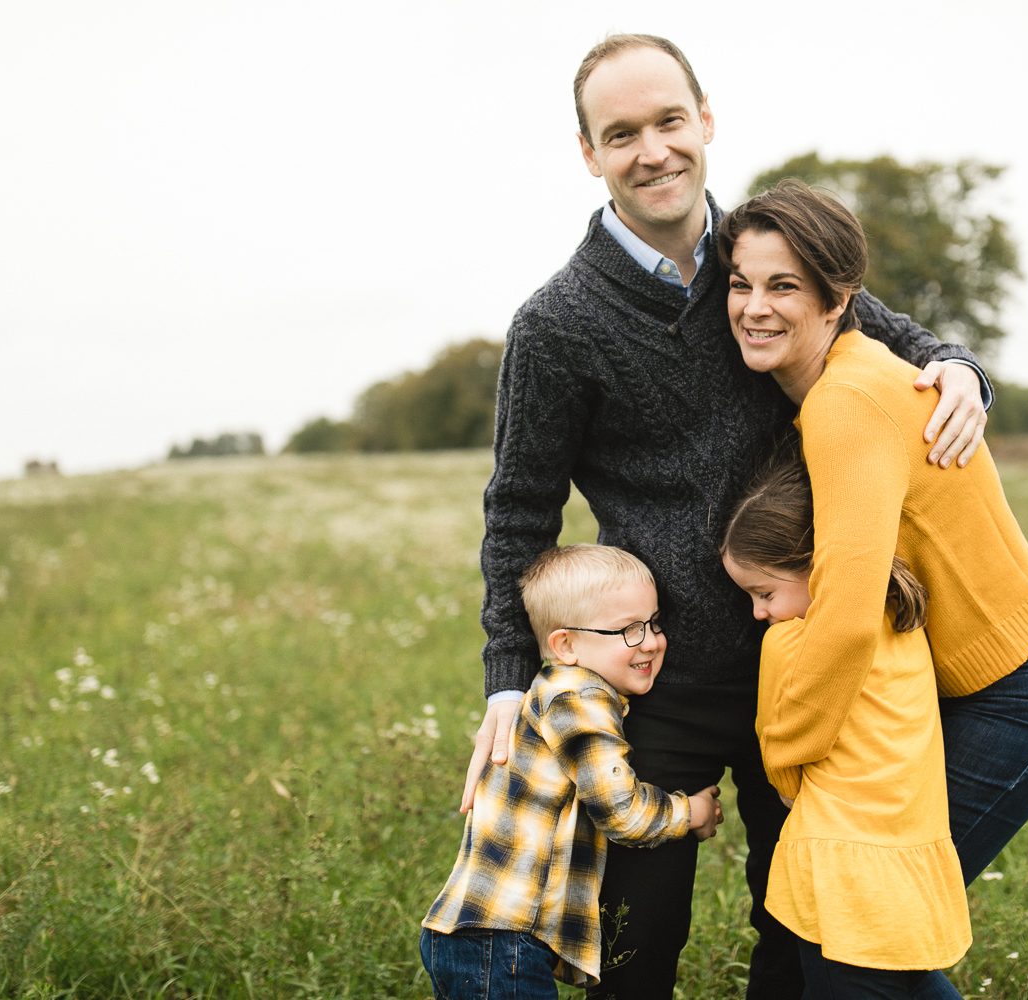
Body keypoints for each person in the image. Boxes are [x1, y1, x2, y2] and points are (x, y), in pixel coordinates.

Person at [466, 34, 994, 1000]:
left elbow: (900, 336)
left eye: (669, 121)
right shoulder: (557, 324)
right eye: (620, 133)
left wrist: (962, 369)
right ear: (589, 154)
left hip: (806, 650)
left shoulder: (765, 263)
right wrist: (509, 679)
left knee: (797, 923)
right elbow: (518, 514)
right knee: (638, 933)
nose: (652, 149)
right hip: (656, 668)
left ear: (705, 122)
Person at [718, 179, 1028, 889]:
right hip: (971, 684)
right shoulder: (840, 383)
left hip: (1018, 688)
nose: (755, 307)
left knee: (875, 922)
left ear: (838, 301)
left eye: (783, 286)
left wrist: (786, 757)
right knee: (865, 931)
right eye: (741, 285)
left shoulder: (846, 401)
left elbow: (850, 616)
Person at [421, 544, 724, 999]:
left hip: (489, 934)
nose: (651, 641)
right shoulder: (579, 698)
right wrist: (691, 812)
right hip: (500, 937)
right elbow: (621, 811)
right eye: (628, 630)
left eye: (654, 622)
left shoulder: (562, 688)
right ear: (566, 644)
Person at [721, 453, 971, 999]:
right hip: (907, 848)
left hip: (839, 862)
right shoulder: (903, 620)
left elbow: (777, 741)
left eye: (764, 593)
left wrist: (789, 791)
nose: (759, 613)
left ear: (818, 564)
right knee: (905, 984)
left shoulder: (789, 642)